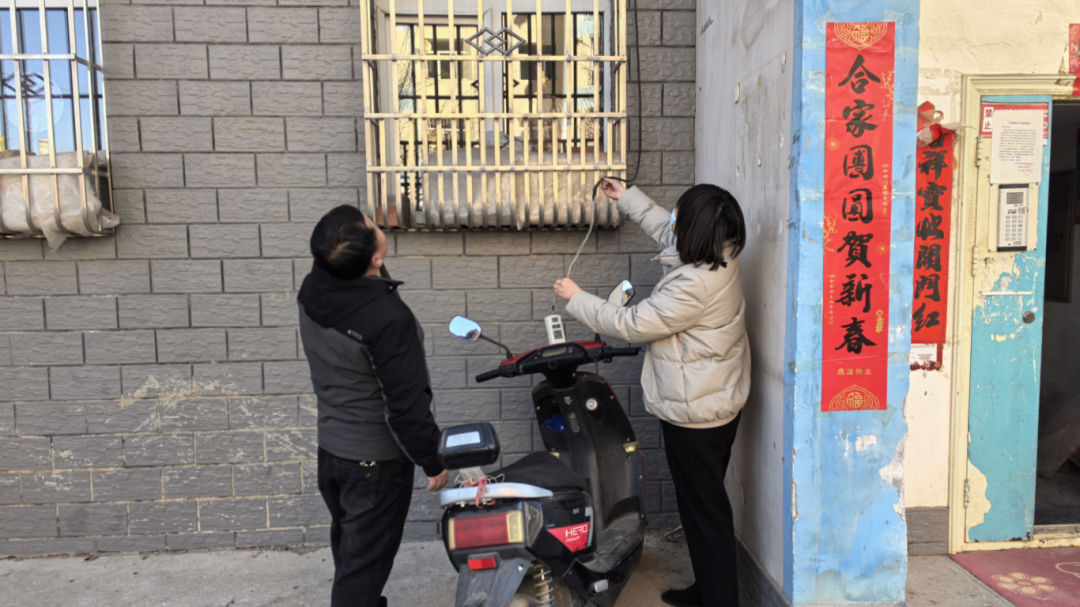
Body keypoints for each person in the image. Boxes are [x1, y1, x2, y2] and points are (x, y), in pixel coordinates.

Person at [553, 180, 751, 607]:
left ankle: (720, 599)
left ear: (694, 229)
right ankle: (708, 589)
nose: (673, 219)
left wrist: (576, 298)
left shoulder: (694, 284)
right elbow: (666, 228)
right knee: (699, 507)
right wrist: (625, 196)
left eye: (680, 214)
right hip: (711, 399)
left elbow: (631, 324)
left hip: (697, 417)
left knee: (706, 513)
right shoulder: (719, 250)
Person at [298, 205, 449, 607]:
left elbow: (362, 279)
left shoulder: (315, 287)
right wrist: (432, 460)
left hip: (332, 455)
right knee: (361, 576)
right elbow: (405, 406)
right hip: (374, 468)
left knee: (352, 556)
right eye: (368, 224)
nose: (372, 220)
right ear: (375, 260)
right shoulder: (388, 320)